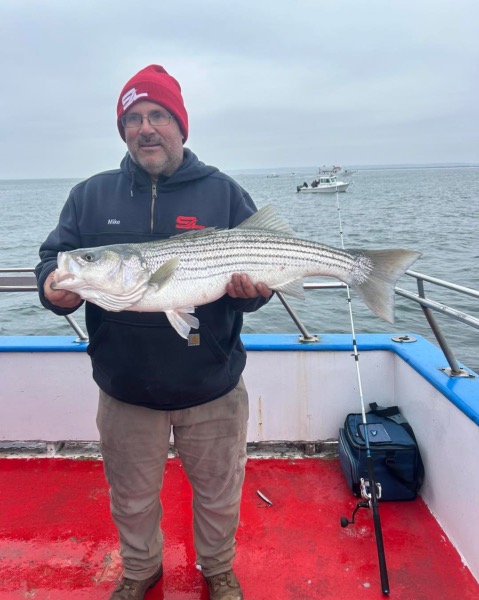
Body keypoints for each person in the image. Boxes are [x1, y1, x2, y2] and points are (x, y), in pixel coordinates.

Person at [35, 64, 272, 600]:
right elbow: (55, 258)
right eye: (134, 118)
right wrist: (53, 285)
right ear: (123, 130)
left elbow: (260, 283)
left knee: (219, 492)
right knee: (131, 496)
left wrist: (252, 292)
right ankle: (141, 570)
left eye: (159, 115)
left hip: (212, 386)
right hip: (126, 388)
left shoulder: (223, 193)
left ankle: (218, 569)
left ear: (180, 125)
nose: (146, 128)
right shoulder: (91, 195)